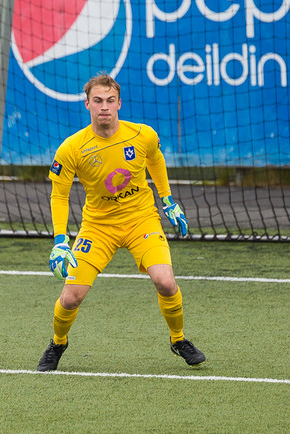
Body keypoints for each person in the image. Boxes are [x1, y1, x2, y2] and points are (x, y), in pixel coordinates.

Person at [38, 72, 206, 371]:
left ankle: (178, 339)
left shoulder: (142, 135)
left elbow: (155, 159)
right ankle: (58, 343)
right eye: (98, 101)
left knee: (166, 282)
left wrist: (168, 200)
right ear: (87, 104)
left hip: (142, 220)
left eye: (110, 100)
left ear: (119, 104)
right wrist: (60, 240)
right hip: (98, 227)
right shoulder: (71, 148)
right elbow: (59, 196)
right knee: (71, 298)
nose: (104, 106)